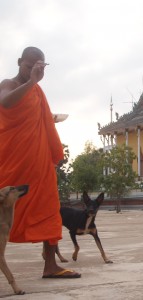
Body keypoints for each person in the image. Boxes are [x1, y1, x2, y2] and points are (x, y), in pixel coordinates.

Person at [0, 47, 81, 278]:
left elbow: (41, 122)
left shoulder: (37, 93)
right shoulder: (10, 84)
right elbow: (5, 103)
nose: (33, 72)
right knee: (3, 208)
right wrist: (30, 83)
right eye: (29, 67)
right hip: (13, 162)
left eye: (39, 68)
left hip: (38, 163)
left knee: (49, 210)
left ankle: (51, 266)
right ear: (19, 62)